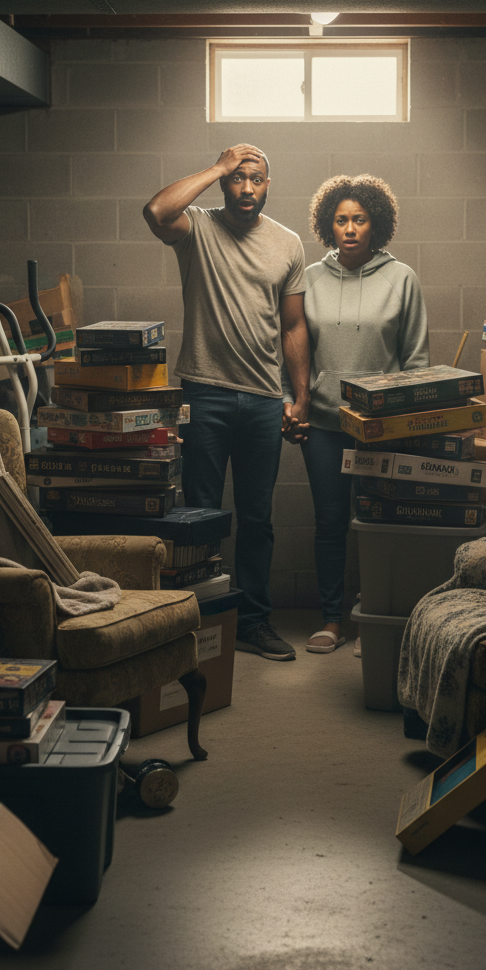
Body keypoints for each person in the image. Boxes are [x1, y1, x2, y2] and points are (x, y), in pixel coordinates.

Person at [143, 145, 311, 661]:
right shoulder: (196, 227)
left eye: (256, 179)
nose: (246, 189)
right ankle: (201, 623)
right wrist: (217, 164)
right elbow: (156, 211)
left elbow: (293, 325)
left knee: (257, 520)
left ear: (268, 185)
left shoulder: (287, 243)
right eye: (236, 179)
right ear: (222, 185)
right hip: (205, 394)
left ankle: (253, 622)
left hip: (263, 399)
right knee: (200, 516)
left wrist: (299, 395)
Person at [283, 174, 429, 655]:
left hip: (381, 428)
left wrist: (406, 424)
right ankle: (332, 620)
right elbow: (295, 344)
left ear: (376, 224)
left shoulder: (402, 277)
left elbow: (417, 363)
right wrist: (297, 400)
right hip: (325, 424)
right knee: (330, 523)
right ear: (329, 225)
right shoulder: (311, 279)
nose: (350, 228)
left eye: (359, 219)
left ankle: (374, 619)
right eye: (341, 219)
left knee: (379, 522)